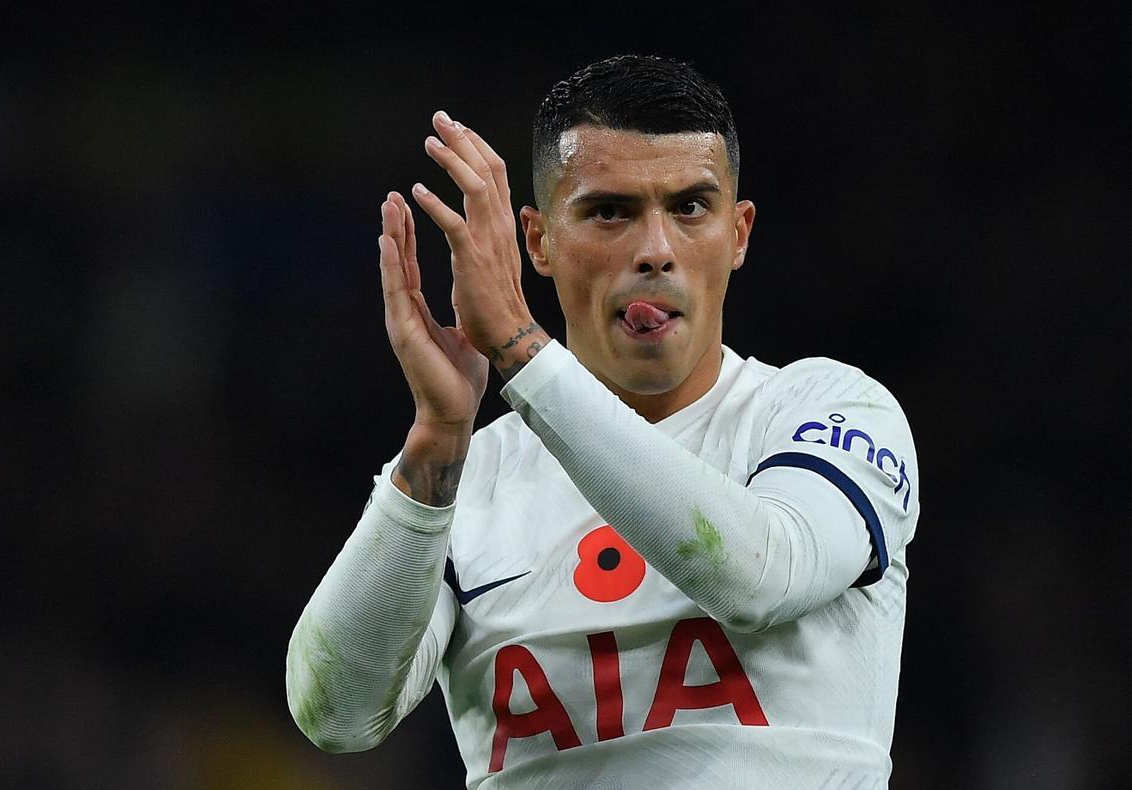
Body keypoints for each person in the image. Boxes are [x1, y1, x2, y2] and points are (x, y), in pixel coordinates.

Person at [286, 54, 920, 789]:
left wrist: (522, 350)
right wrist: (436, 440)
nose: (655, 252)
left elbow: (758, 575)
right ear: (538, 241)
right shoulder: (467, 480)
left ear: (739, 233)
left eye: (690, 208)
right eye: (609, 212)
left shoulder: (828, 411)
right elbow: (335, 714)